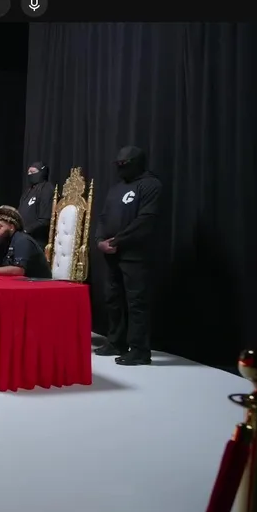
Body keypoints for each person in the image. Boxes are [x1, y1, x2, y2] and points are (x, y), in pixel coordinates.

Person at [94, 145, 163, 366]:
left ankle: (140, 350)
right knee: (113, 299)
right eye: (118, 164)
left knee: (136, 302)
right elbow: (103, 217)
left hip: (135, 255)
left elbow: (146, 219)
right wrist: (99, 240)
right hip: (111, 253)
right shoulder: (116, 189)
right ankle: (116, 342)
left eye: (124, 164)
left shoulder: (151, 185)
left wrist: (117, 241)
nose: (120, 168)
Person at [0, 205, 51, 279]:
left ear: (11, 227)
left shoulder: (22, 240)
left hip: (40, 285)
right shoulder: (1, 241)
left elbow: (19, 270)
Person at [19, 162, 54, 244]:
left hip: (37, 239)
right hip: (23, 236)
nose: (30, 174)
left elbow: (45, 220)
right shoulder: (28, 191)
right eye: (28, 172)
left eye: (33, 172)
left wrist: (26, 230)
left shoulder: (47, 189)